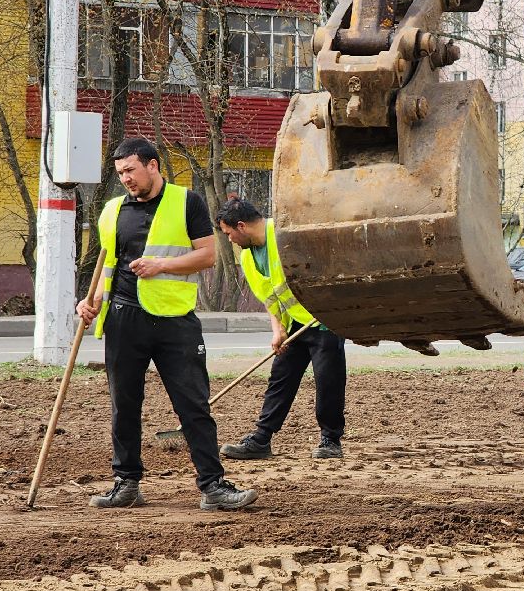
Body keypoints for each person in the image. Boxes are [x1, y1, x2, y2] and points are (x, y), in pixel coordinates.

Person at [76, 138, 259, 511]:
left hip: (175, 321)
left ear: (152, 165)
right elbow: (108, 267)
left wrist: (161, 265)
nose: (125, 178)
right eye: (120, 173)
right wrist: (91, 301)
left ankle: (213, 486)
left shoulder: (186, 201)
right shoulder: (111, 211)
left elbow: (207, 256)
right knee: (124, 405)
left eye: (131, 170)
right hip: (124, 319)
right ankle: (126, 484)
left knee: (193, 405)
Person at [215, 198, 347, 461]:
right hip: (293, 324)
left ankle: (331, 440)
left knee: (328, 381)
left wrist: (328, 307)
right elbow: (270, 297)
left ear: (241, 226)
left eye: (229, 233)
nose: (229, 240)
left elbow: (326, 267)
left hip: (322, 321)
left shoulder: (287, 235)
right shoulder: (248, 256)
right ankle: (261, 439)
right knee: (280, 379)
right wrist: (278, 330)